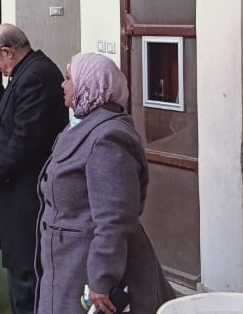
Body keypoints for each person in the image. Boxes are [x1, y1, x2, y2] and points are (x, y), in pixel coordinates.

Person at [35, 53, 173, 314]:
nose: (63, 85)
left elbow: (115, 218)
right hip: (71, 264)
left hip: (90, 273)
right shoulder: (84, 125)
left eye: (69, 79)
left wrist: (102, 278)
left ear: (89, 84)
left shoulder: (108, 138)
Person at [0, 24, 68, 314]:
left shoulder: (35, 75)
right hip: (22, 184)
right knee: (21, 263)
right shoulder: (27, 71)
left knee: (26, 266)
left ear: (7, 52)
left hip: (29, 187)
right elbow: (12, 115)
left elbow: (25, 138)